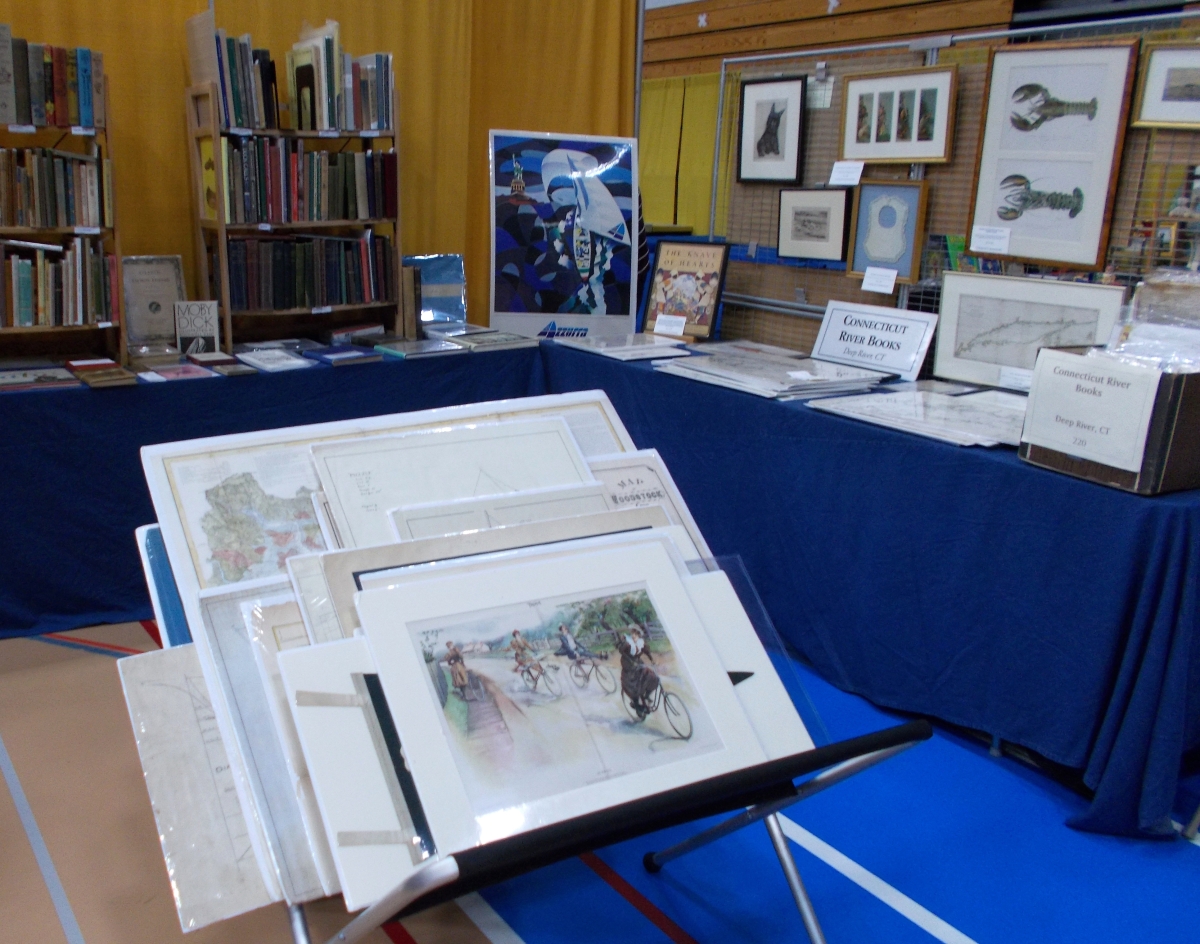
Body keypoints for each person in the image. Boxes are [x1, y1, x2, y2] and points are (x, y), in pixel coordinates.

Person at [616, 627, 658, 719]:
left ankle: (646, 696)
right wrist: (631, 662)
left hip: (638, 663)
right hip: (628, 666)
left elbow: (647, 651)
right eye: (632, 634)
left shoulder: (641, 643)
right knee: (634, 686)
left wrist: (652, 660)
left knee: (652, 677)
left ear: (639, 635)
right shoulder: (628, 643)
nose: (633, 636)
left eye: (635, 634)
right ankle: (637, 705)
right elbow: (621, 651)